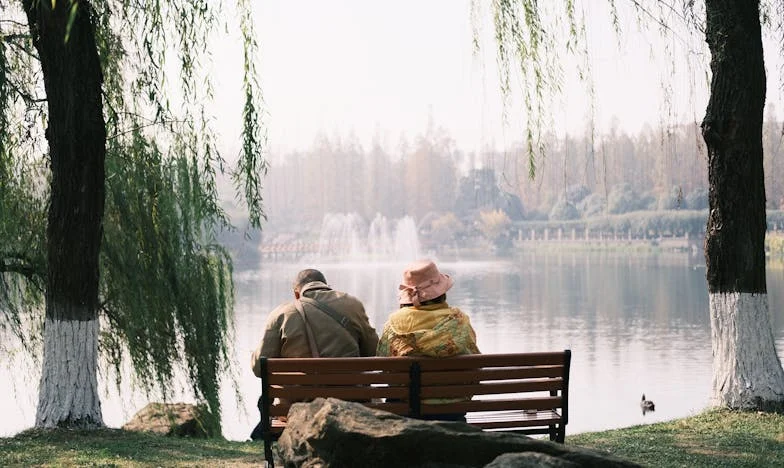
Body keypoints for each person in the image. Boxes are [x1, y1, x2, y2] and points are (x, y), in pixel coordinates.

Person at [376, 259, 480, 421]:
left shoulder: (393, 325)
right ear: (441, 292)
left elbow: (384, 367)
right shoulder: (460, 322)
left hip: (406, 410)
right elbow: (474, 364)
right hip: (452, 411)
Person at [251, 268, 379, 377]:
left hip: (298, 403)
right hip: (352, 398)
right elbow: (373, 351)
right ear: (327, 286)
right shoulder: (353, 305)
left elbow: (259, 368)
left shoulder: (281, 314)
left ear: (297, 294)